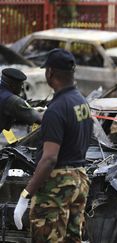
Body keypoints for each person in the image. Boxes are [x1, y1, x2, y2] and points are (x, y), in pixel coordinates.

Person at [13, 48, 93, 243]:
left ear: (50, 72)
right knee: (72, 239)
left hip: (56, 185)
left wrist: (26, 194)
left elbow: (49, 159)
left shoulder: (56, 109)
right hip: (80, 180)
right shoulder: (82, 102)